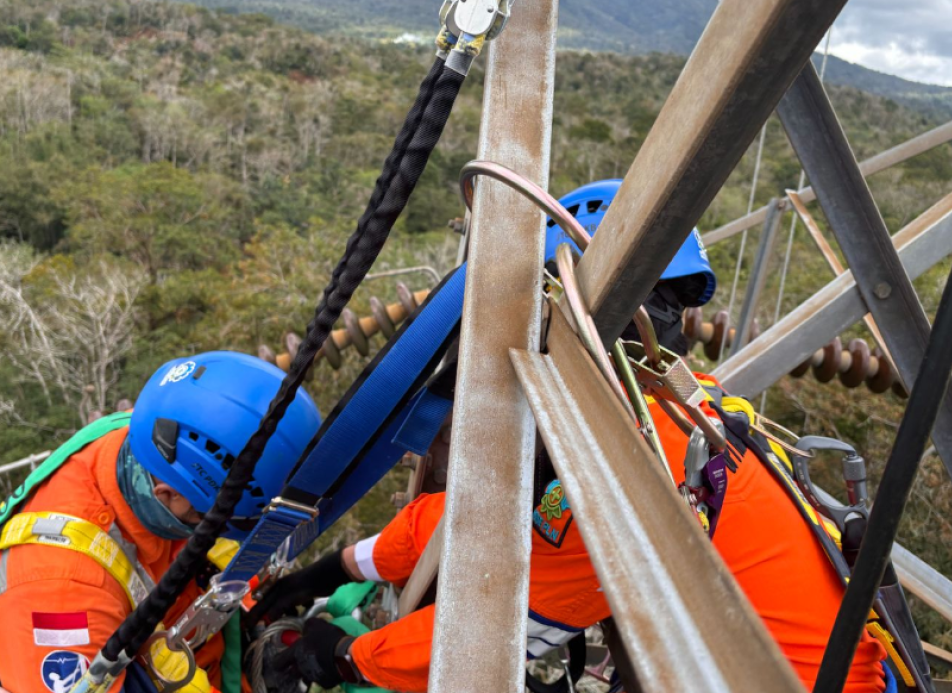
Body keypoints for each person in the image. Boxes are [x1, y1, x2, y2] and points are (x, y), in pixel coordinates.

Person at [251, 181, 889, 693]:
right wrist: (328, 570)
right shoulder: (678, 407)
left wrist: (343, 657)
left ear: (554, 306)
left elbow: (487, 641)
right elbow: (467, 520)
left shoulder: (625, 462)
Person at [0, 352, 321, 693]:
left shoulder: (150, 434)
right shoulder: (62, 594)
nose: (216, 530)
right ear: (167, 493)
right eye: (209, 520)